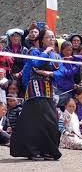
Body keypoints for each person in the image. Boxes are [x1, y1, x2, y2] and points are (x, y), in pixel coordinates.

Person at [10, 29, 62, 161]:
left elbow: (61, 71)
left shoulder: (56, 55)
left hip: (49, 91)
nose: (52, 39)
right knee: (35, 122)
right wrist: (45, 53)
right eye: (49, 37)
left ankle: (47, 150)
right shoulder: (34, 52)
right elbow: (36, 63)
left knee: (50, 121)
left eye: (53, 37)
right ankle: (33, 151)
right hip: (35, 91)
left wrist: (49, 73)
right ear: (41, 40)